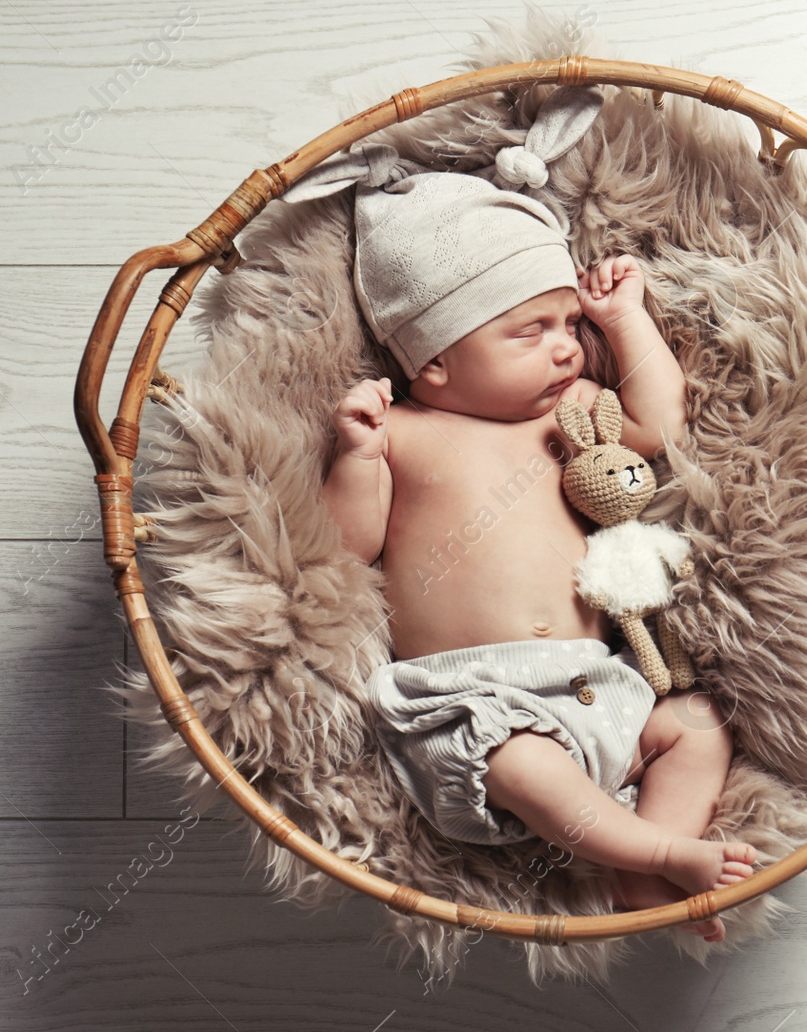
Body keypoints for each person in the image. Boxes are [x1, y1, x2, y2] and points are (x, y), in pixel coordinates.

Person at [289, 85, 767, 942]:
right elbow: (343, 551)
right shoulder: (402, 432)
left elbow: (658, 425)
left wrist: (625, 322)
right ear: (434, 361)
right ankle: (661, 849)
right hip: (473, 700)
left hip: (599, 682)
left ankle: (635, 867)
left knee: (695, 725)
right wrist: (355, 456)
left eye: (568, 323)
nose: (563, 345)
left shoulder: (573, 410)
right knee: (527, 766)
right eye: (529, 330)